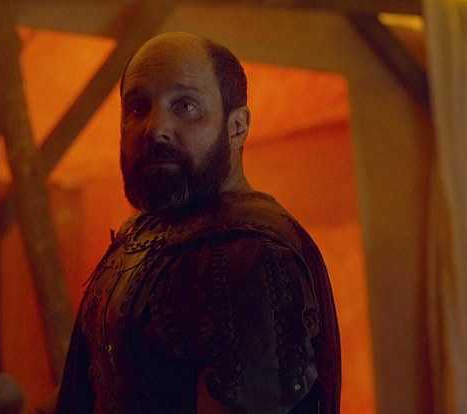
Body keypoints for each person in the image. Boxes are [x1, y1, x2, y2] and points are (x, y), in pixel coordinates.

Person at [49, 32, 341, 413]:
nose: (155, 128)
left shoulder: (246, 252)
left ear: (237, 127)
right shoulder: (147, 233)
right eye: (138, 107)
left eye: (185, 106)